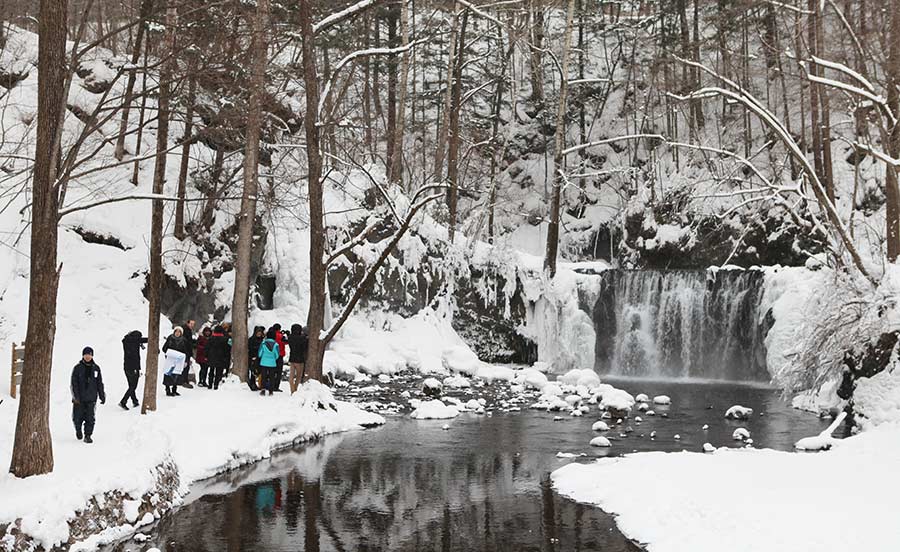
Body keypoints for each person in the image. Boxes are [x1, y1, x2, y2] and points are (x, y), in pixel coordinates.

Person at [71, 347, 105, 443]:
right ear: (83, 355)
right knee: (77, 417)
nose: (87, 356)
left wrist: (102, 395)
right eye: (86, 354)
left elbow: (99, 383)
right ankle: (78, 430)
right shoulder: (77, 368)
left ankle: (88, 435)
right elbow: (74, 383)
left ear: (92, 355)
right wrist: (76, 396)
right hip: (79, 399)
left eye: (89, 354)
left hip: (91, 398)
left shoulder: (96, 368)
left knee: (90, 418)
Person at [120, 330, 147, 410]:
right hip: (133, 368)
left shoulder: (127, 341)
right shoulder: (134, 341)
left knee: (131, 385)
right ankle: (123, 401)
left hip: (126, 367)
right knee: (133, 386)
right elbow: (144, 340)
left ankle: (135, 401)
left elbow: (140, 340)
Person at [162, 326, 188, 396]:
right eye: (176, 331)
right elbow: (164, 348)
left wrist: (185, 360)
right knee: (168, 374)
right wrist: (170, 353)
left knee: (176, 375)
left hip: (178, 360)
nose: (177, 333)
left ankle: (174, 389)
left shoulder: (184, 340)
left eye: (179, 332)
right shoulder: (170, 338)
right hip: (170, 359)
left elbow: (186, 351)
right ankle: (167, 389)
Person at [206, 325, 231, 390]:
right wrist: (226, 357)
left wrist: (206, 356)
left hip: (212, 357)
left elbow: (207, 348)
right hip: (221, 357)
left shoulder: (211, 338)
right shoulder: (225, 339)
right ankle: (216, 384)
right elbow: (227, 349)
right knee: (218, 372)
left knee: (211, 371)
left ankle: (210, 384)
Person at [258, 328, 281, 396]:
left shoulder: (263, 343)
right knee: (272, 377)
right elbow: (277, 355)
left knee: (264, 376)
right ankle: (271, 390)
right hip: (272, 363)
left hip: (264, 362)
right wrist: (273, 358)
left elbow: (260, 353)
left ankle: (263, 390)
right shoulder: (276, 345)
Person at [287, 324, 308, 393]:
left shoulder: (290, 337)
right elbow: (305, 347)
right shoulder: (303, 338)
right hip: (300, 360)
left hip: (292, 359)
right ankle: (295, 390)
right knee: (298, 376)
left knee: (291, 376)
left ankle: (292, 389)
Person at [248, 326, 265, 391]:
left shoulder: (262, 340)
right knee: (253, 371)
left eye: (260, 332)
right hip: (253, 357)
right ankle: (252, 384)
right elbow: (250, 348)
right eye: (258, 332)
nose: (259, 334)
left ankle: (257, 384)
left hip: (260, 358)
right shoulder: (251, 339)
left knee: (258, 371)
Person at [270, 323, 287, 392]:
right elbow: (286, 342)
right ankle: (276, 386)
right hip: (280, 355)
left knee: (272, 371)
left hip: (272, 356)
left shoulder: (271, 335)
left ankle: (270, 385)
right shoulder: (280, 336)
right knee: (278, 372)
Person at [180, 319, 196, 388]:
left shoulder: (187, 330)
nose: (192, 325)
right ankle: (183, 381)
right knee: (185, 367)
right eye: (191, 324)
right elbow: (187, 342)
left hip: (186, 351)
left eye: (193, 324)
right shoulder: (186, 330)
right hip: (185, 351)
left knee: (186, 366)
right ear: (188, 323)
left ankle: (184, 380)